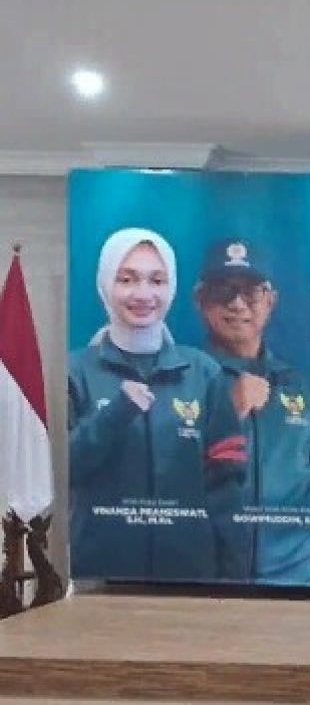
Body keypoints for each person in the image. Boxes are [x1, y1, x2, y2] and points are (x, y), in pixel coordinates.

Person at [68, 227, 247, 581]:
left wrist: (234, 579)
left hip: (190, 578)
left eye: (157, 280)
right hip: (98, 578)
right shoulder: (76, 371)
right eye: (127, 279)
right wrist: (116, 412)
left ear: (172, 287)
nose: (143, 294)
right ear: (105, 284)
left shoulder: (203, 373)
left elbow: (227, 487)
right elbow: (65, 469)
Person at [196, 239, 310, 587]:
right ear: (201, 299)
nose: (237, 304)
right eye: (223, 290)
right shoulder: (182, 380)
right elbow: (164, 481)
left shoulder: (305, 388)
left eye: (251, 292)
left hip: (294, 584)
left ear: (271, 300)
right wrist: (229, 411)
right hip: (204, 587)